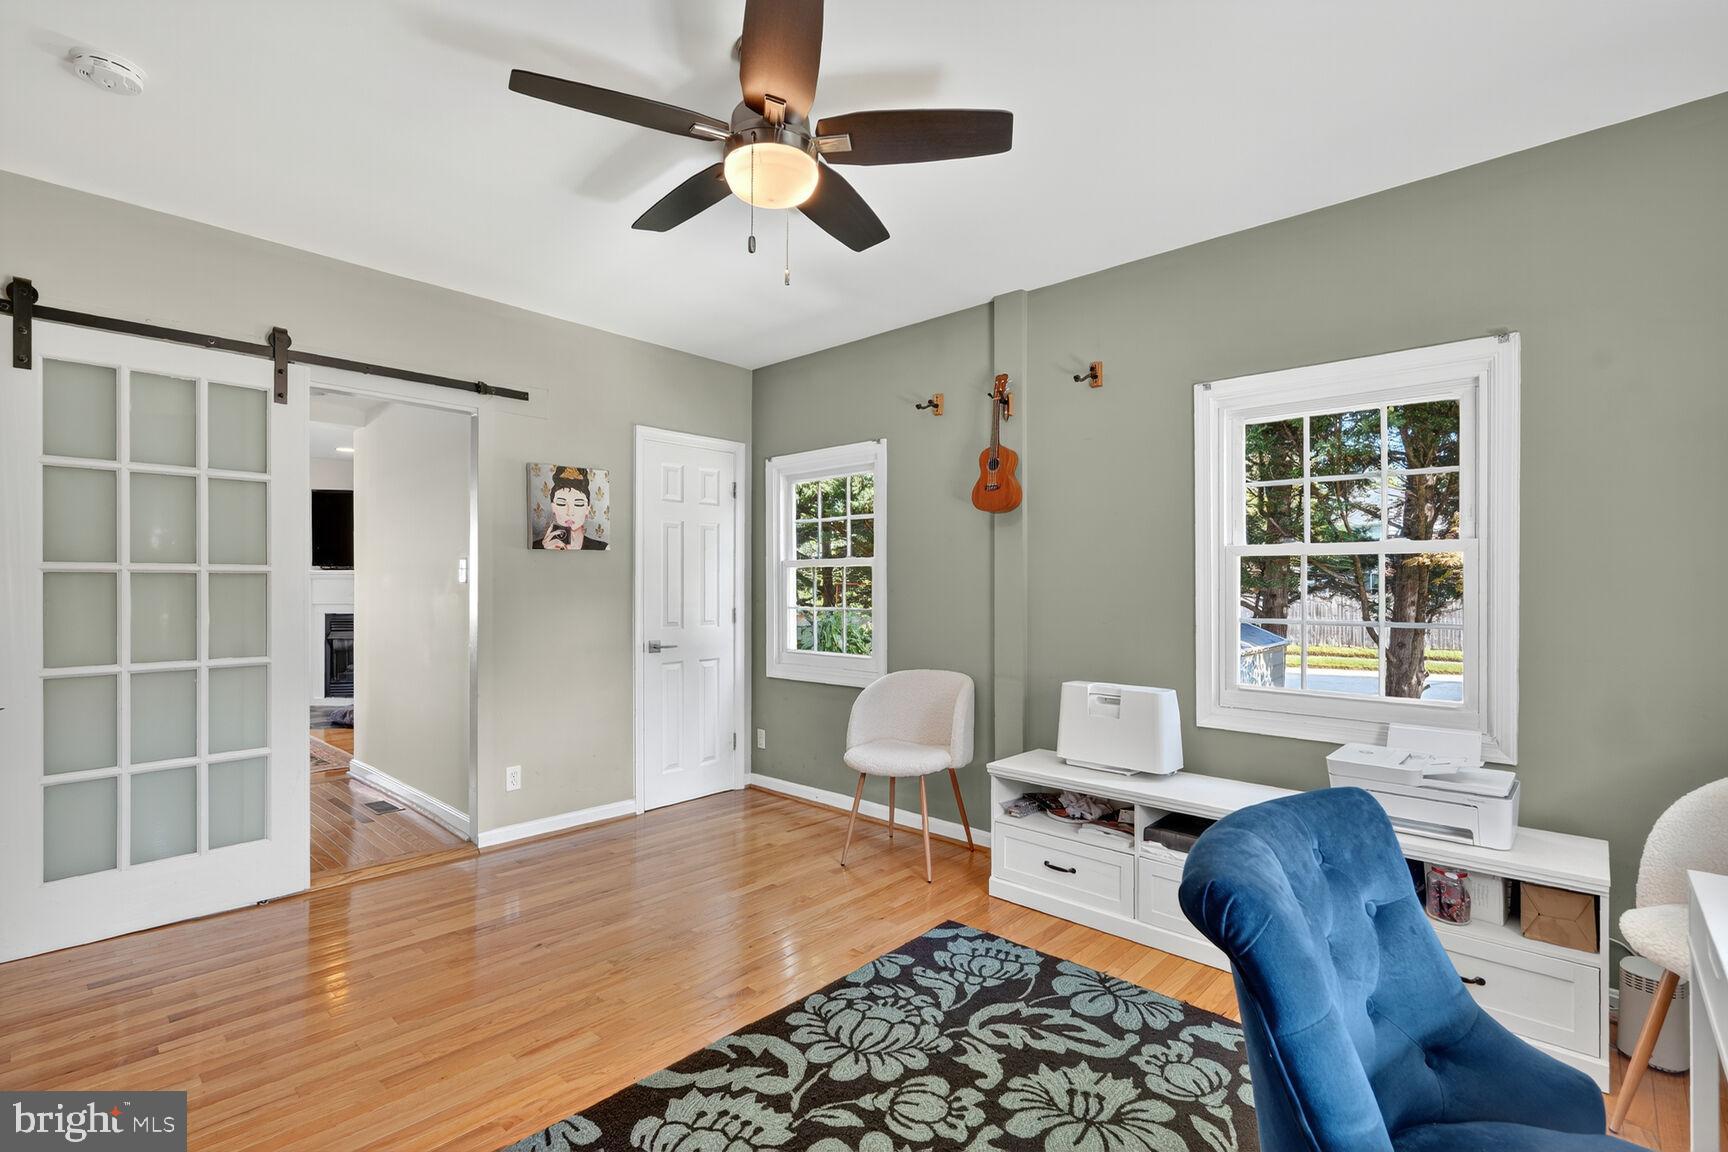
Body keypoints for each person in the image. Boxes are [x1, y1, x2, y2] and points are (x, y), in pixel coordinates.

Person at [534, 468, 608, 550]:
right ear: (553, 507)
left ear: (587, 509)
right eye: (561, 503)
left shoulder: (603, 548)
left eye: (578, 504)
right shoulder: (536, 547)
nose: (569, 512)